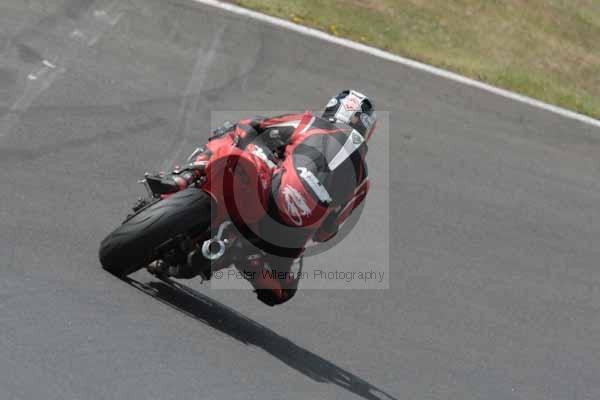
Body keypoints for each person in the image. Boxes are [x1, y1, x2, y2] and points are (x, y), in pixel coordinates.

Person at [156, 90, 376, 306]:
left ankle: (187, 175)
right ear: (367, 129)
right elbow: (326, 233)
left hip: (267, 193)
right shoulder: (363, 181)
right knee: (282, 291)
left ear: (332, 107)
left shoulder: (310, 122)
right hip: (287, 237)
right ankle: (248, 259)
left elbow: (255, 126)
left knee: (234, 133)